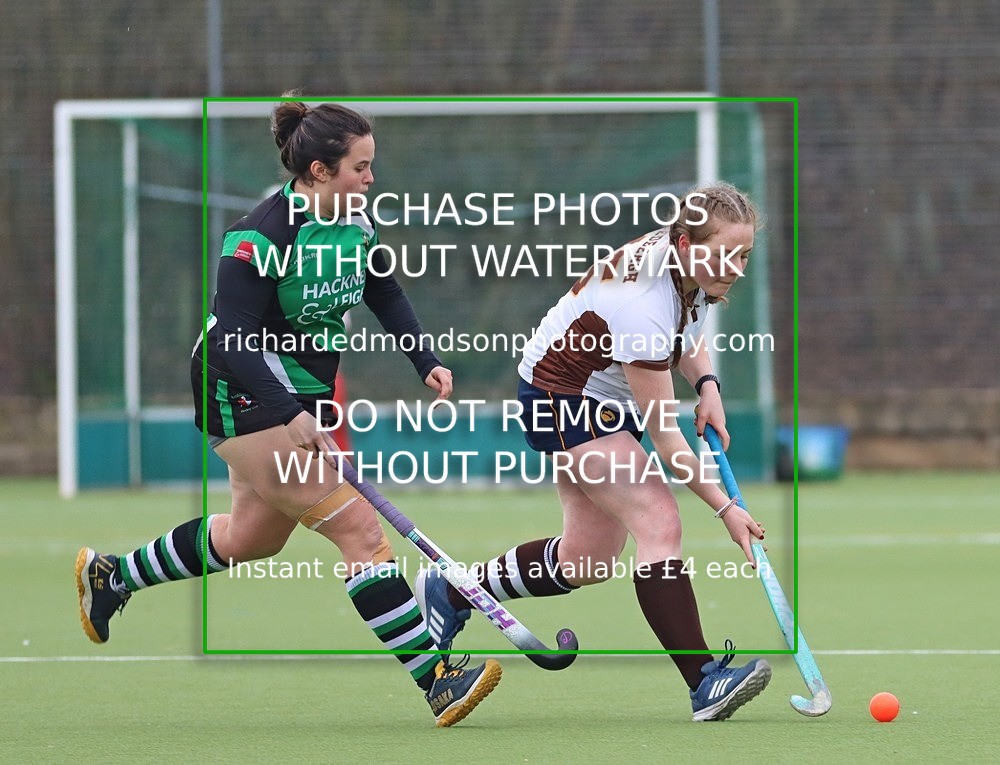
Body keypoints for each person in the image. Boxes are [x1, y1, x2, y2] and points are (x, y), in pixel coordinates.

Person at [75, 98, 501, 728]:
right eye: (360, 167)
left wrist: (423, 359)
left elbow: (381, 286)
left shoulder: (356, 222)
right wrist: (288, 414)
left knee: (251, 538)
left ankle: (113, 578)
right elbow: (230, 337)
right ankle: (435, 676)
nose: (371, 180)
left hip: (290, 396)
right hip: (238, 388)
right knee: (360, 532)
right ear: (319, 171)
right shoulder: (262, 235)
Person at [416, 182, 769, 722]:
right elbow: (668, 438)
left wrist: (708, 386)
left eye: (743, 255)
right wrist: (726, 509)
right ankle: (704, 681)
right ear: (682, 242)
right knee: (659, 519)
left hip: (603, 393)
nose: (734, 267)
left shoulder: (686, 267)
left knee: (587, 559)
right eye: (724, 254)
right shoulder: (642, 300)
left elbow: (687, 328)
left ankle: (454, 589)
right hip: (562, 396)